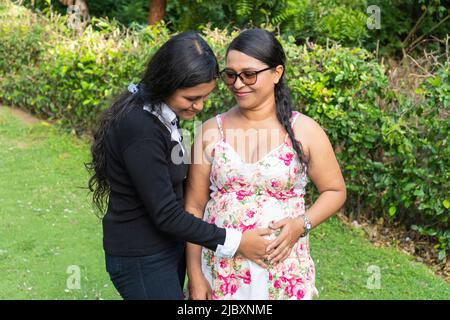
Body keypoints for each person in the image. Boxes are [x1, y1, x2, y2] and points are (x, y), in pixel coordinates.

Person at [85, 31, 273, 300]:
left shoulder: (162, 117)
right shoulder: (140, 128)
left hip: (163, 250)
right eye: (192, 98)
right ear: (166, 84)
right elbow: (167, 214)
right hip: (141, 257)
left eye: (205, 97)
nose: (199, 106)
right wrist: (238, 242)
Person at [185, 29, 347, 300]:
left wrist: (301, 224)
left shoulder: (305, 130)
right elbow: (193, 207)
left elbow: (335, 190)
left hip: (283, 271)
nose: (238, 84)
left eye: (249, 74)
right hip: (220, 269)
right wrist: (194, 274)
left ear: (276, 73)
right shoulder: (210, 130)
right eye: (231, 75)